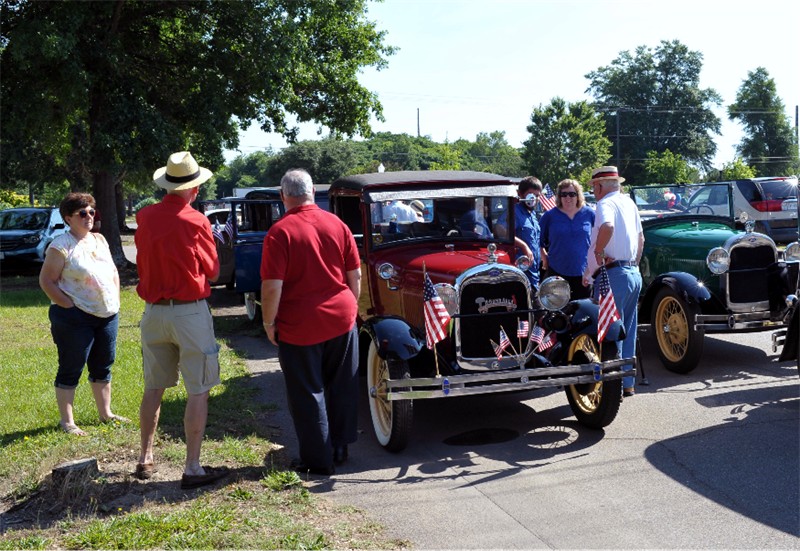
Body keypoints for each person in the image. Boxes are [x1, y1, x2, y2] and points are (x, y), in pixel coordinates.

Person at [134, 151, 229, 489]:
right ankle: (192, 466)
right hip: (189, 310)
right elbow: (214, 270)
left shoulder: (144, 216)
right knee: (198, 389)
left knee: (153, 387)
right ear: (194, 188)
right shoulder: (196, 221)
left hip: (153, 313)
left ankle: (144, 456)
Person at [260, 168, 361, 477]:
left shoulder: (280, 232)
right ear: (312, 191)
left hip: (300, 323)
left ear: (283, 196)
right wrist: (351, 308)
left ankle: (318, 460)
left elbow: (273, 285)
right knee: (342, 385)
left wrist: (268, 322)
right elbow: (354, 275)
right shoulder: (337, 224)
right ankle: (341, 446)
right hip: (341, 317)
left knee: (307, 392)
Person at [39, 192, 127, 436]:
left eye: (91, 212)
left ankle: (105, 414)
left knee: (103, 365)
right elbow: (47, 281)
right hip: (74, 318)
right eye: (82, 213)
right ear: (68, 218)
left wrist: (115, 299)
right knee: (71, 366)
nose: (89, 217)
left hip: (107, 314)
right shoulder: (60, 245)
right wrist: (68, 305)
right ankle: (67, 422)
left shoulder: (100, 240)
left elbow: (113, 272)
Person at [582, 166, 644, 398]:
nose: (594, 192)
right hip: (630, 271)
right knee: (628, 330)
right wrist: (634, 263)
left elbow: (608, 227)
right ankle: (627, 383)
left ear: (599, 186)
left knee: (610, 331)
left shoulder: (604, 204)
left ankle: (613, 387)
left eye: (594, 188)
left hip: (613, 274)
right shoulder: (629, 203)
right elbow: (641, 238)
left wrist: (598, 252)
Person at [540, 179, 595, 299]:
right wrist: (544, 257)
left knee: (582, 311)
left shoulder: (590, 214)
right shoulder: (549, 216)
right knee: (558, 312)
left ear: (578, 195)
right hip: (557, 271)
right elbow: (539, 241)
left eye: (572, 194)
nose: (568, 198)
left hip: (584, 272)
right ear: (559, 197)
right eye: (563, 194)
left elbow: (599, 239)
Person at [497, 177, 542, 290]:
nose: (534, 199)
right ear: (521, 194)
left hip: (534, 272)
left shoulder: (532, 215)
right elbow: (499, 230)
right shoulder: (514, 211)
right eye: (530, 194)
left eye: (537, 196)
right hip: (520, 271)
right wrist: (523, 245)